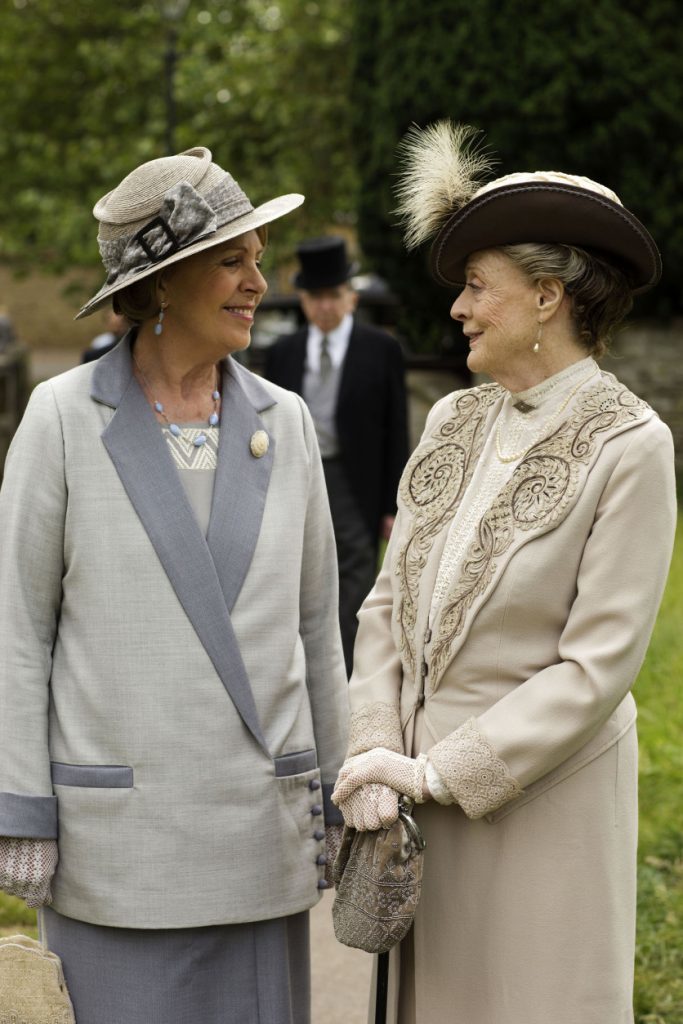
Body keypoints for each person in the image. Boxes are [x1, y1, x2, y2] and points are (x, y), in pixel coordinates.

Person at [331, 122, 677, 1024]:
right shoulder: (450, 418)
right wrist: (374, 750)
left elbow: (595, 667)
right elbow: (385, 602)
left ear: (548, 295)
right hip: (407, 812)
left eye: (478, 287)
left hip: (536, 812)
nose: (459, 309)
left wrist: (441, 773)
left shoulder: (632, 445)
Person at [0, 146, 348, 1024]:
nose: (256, 282)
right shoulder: (63, 418)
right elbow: (16, 624)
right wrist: (21, 807)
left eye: (257, 259)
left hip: (259, 840)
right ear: (160, 282)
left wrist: (340, 791)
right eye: (232, 259)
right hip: (119, 851)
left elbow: (317, 628)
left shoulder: (289, 420)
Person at [264, 236, 408, 676]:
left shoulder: (379, 349)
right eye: (314, 297)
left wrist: (390, 505)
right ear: (303, 301)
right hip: (299, 473)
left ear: (351, 298)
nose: (324, 307)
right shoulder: (282, 353)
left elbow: (395, 427)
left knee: (354, 577)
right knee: (296, 568)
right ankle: (297, 666)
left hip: (355, 478)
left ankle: (346, 673)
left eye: (333, 296)